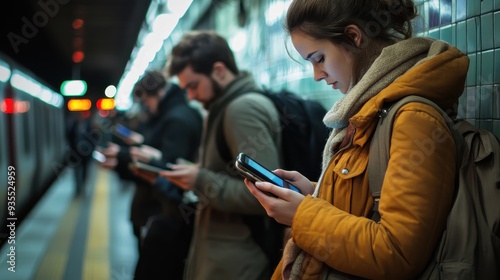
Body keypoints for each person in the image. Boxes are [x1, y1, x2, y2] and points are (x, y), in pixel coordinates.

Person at [243, 0, 470, 279]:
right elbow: (367, 204)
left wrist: (302, 215)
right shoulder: (371, 108)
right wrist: (315, 193)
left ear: (353, 37)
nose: (316, 75)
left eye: (319, 59)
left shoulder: (414, 119)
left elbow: (396, 253)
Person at [160, 30, 283, 280]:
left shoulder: (241, 109)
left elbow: (267, 194)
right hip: (226, 257)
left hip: (239, 262)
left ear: (218, 70)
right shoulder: (223, 107)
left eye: (193, 86)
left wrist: (199, 179)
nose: (191, 96)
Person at [98, 70, 203, 279]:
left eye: (146, 101)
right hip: (160, 211)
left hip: (165, 214)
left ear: (158, 93)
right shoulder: (169, 116)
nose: (146, 107)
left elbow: (170, 171)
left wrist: (124, 157)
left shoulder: (176, 119)